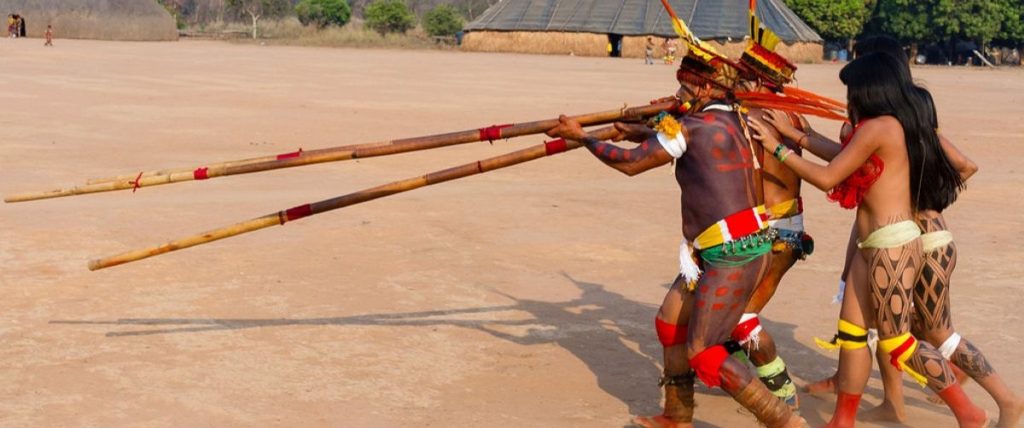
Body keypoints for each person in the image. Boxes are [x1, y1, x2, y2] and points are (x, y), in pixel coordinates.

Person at [547, 38, 803, 428]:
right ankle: (677, 415)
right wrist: (637, 129)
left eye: (684, 88)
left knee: (704, 351)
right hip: (722, 248)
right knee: (670, 323)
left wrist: (584, 138)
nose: (678, 95)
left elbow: (634, 164)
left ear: (702, 89)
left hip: (735, 251)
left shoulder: (698, 126)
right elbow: (671, 141)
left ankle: (784, 421)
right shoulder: (733, 117)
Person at [794, 35, 1024, 427]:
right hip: (909, 234)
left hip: (917, 235)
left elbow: (964, 166)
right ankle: (888, 406)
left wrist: (912, 197)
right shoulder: (909, 113)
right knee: (888, 329)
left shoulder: (894, 120)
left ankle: (998, 404)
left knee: (927, 333)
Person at [748, 52, 987, 427]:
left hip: (891, 244)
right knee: (853, 335)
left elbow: (829, 177)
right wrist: (797, 135)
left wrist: (778, 149)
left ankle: (969, 413)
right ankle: (842, 421)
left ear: (870, 88)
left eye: (853, 90)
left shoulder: (881, 127)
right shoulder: (884, 125)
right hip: (873, 242)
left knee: (898, 343)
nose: (850, 98)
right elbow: (845, 157)